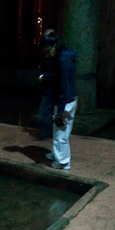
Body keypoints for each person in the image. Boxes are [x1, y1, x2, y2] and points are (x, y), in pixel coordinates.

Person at [41, 32, 77, 170]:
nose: (47, 54)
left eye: (48, 51)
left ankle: (63, 162)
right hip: (68, 99)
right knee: (61, 131)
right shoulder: (66, 57)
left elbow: (63, 87)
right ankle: (58, 154)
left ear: (55, 45)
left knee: (61, 133)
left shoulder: (63, 61)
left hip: (65, 102)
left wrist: (61, 110)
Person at [36, 29, 56, 141]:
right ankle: (50, 132)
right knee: (49, 113)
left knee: (51, 114)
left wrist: (45, 78)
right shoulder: (48, 56)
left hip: (54, 92)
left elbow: (55, 74)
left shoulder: (60, 59)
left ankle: (50, 131)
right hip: (49, 91)